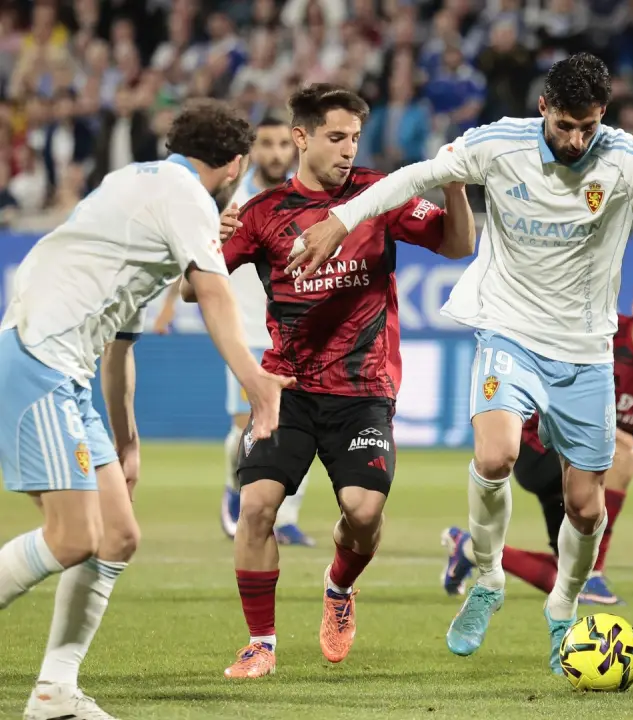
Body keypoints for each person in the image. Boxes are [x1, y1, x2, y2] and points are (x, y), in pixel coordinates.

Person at [286, 53, 633, 673]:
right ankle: (488, 578)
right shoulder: (499, 144)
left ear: (603, 116)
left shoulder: (624, 159)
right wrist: (340, 220)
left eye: (588, 127)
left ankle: (562, 608)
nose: (576, 140)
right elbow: (413, 177)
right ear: (544, 107)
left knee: (586, 506)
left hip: (584, 350)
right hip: (509, 331)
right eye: (565, 125)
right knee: (496, 455)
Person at [0, 99, 292, 720]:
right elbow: (212, 293)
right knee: (71, 537)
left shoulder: (137, 188)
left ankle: (54, 692)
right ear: (236, 165)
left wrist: (126, 440)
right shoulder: (185, 198)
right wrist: (255, 380)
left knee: (118, 536)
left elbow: (119, 346)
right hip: (38, 358)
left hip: (68, 372)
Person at [180, 84, 476, 680]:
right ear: (302, 137)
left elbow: (458, 243)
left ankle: (339, 587)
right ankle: (260, 643)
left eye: (355, 139)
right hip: (285, 387)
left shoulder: (378, 194)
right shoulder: (262, 212)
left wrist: (453, 184)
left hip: (362, 389)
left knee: (362, 513)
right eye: (336, 137)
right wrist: (212, 235)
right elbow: (192, 288)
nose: (348, 150)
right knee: (256, 506)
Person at [441, 262, 633, 606]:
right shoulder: (600, 336)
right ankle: (595, 573)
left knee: (567, 575)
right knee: (622, 452)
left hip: (587, 466)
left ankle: (469, 549)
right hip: (538, 444)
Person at [154, 116, 315, 546]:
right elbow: (194, 252)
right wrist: (169, 305)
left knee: (301, 429)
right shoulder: (229, 199)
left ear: (295, 146)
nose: (276, 152)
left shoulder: (304, 197)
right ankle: (235, 487)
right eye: (267, 144)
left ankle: (286, 519)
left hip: (295, 333)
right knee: (247, 425)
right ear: (251, 151)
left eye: (283, 143)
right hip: (245, 331)